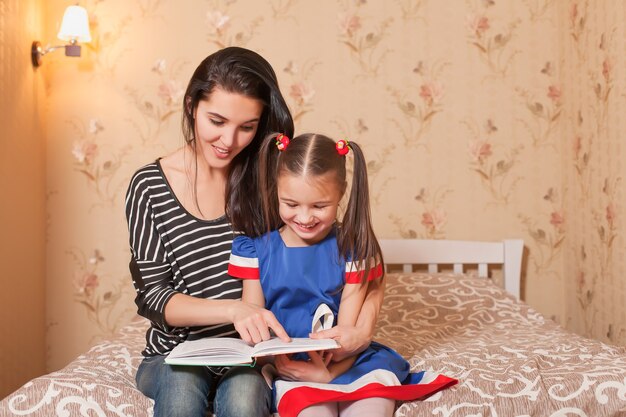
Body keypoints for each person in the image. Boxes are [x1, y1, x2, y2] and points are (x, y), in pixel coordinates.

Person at [227, 133, 457, 417]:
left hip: (349, 363)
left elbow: (347, 339)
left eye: (319, 206)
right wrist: (280, 364)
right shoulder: (256, 251)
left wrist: (329, 375)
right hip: (291, 368)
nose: (305, 217)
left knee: (370, 409)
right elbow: (255, 326)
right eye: (291, 204)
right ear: (276, 191)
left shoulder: (352, 250)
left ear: (341, 193)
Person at [124, 47, 295, 417]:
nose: (229, 141)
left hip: (247, 354)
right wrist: (235, 309)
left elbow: (311, 247)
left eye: (246, 127)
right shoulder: (149, 187)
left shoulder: (265, 180)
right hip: (174, 354)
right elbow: (154, 297)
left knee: (244, 395)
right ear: (191, 106)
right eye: (216, 121)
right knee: (182, 383)